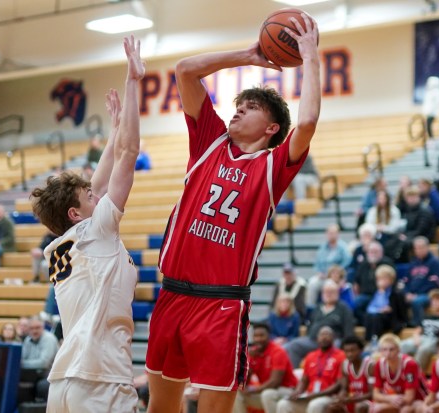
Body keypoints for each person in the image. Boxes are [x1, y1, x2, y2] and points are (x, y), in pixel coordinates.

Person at [145, 14, 320, 413]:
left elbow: (307, 121)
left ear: (272, 128)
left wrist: (309, 56)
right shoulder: (209, 141)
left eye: (251, 107)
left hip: (220, 306)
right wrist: (249, 55)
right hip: (171, 294)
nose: (237, 111)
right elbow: (185, 71)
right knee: (159, 408)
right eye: (238, 105)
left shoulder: (273, 167)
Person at [31, 37, 144, 412]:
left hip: (63, 382)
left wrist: (111, 130)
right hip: (101, 380)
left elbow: (92, 185)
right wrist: (133, 82)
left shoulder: (63, 243)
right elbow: (130, 154)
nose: (99, 195)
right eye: (91, 199)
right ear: (76, 214)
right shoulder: (97, 231)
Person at [284, 280, 354, 369]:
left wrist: (345, 343)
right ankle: (296, 375)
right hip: (313, 341)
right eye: (326, 292)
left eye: (331, 292)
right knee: (293, 346)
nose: (328, 294)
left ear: (337, 293)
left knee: (336, 347)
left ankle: (329, 374)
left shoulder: (344, 309)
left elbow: (348, 331)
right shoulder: (317, 308)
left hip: (334, 341)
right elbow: (310, 325)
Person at [276, 327, 345, 413]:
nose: (324, 337)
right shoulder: (310, 356)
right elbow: (304, 380)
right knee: (283, 404)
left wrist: (317, 394)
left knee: (315, 405)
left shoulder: (341, 355)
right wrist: (298, 391)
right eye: (322, 335)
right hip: (309, 395)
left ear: (333, 338)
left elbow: (339, 384)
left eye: (327, 335)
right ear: (317, 339)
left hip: (328, 396)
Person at [233, 323, 298, 413]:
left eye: (262, 335)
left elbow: (275, 382)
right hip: (266, 392)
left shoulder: (278, 351)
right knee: (236, 393)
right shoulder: (253, 353)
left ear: (269, 336)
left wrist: (254, 389)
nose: (258, 339)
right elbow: (245, 381)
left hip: (287, 391)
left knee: (267, 394)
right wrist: (249, 362)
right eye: (256, 336)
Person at [371, 334, 427, 413]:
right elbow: (375, 395)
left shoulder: (409, 364)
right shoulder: (379, 364)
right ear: (380, 351)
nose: (388, 353)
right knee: (373, 408)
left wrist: (384, 404)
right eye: (384, 350)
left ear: (399, 350)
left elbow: (409, 398)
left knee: (405, 410)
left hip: (419, 399)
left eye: (391, 350)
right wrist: (389, 399)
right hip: (398, 399)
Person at [399, 289, 439, 373]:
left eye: (437, 300)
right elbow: (417, 330)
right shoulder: (426, 317)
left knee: (424, 349)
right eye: (433, 300)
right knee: (401, 345)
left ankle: (414, 376)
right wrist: (416, 338)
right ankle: (399, 374)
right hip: (423, 338)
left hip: (436, 340)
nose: (434, 302)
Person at [400, 236, 439, 327]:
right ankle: (402, 323)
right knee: (398, 298)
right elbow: (405, 281)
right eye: (416, 248)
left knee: (417, 301)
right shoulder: (413, 263)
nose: (419, 250)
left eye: (421, 247)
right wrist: (407, 293)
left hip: (428, 294)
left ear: (427, 247)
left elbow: (435, 283)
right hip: (412, 294)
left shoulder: (435, 262)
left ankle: (419, 325)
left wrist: (417, 294)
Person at [307, 224, 352, 309]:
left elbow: (347, 262)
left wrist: (336, 273)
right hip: (324, 276)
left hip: (337, 276)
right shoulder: (322, 248)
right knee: (312, 283)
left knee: (330, 284)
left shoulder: (343, 247)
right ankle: (311, 309)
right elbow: (317, 264)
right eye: (329, 233)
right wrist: (320, 273)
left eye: (333, 233)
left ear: (338, 234)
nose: (331, 235)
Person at [326, 336, 374, 413]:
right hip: (352, 399)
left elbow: (372, 394)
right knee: (332, 407)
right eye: (346, 351)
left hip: (368, 401)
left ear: (361, 350)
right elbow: (344, 389)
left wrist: (351, 400)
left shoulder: (369, 365)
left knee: (360, 406)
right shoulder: (345, 365)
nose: (350, 354)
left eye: (353, 350)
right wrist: (340, 398)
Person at [353, 241, 394, 325]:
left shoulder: (387, 263)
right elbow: (356, 282)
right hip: (365, 294)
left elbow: (392, 281)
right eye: (371, 251)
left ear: (381, 253)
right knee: (354, 304)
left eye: (376, 252)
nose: (373, 254)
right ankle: (365, 322)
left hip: (382, 294)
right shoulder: (363, 264)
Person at [364, 265, 407, 341]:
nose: (382, 281)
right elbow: (370, 308)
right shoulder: (376, 292)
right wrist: (379, 309)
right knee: (369, 316)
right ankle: (369, 340)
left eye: (384, 278)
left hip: (390, 318)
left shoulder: (396, 293)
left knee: (377, 317)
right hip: (378, 315)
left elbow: (401, 312)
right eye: (379, 279)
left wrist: (389, 308)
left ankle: (375, 339)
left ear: (391, 280)